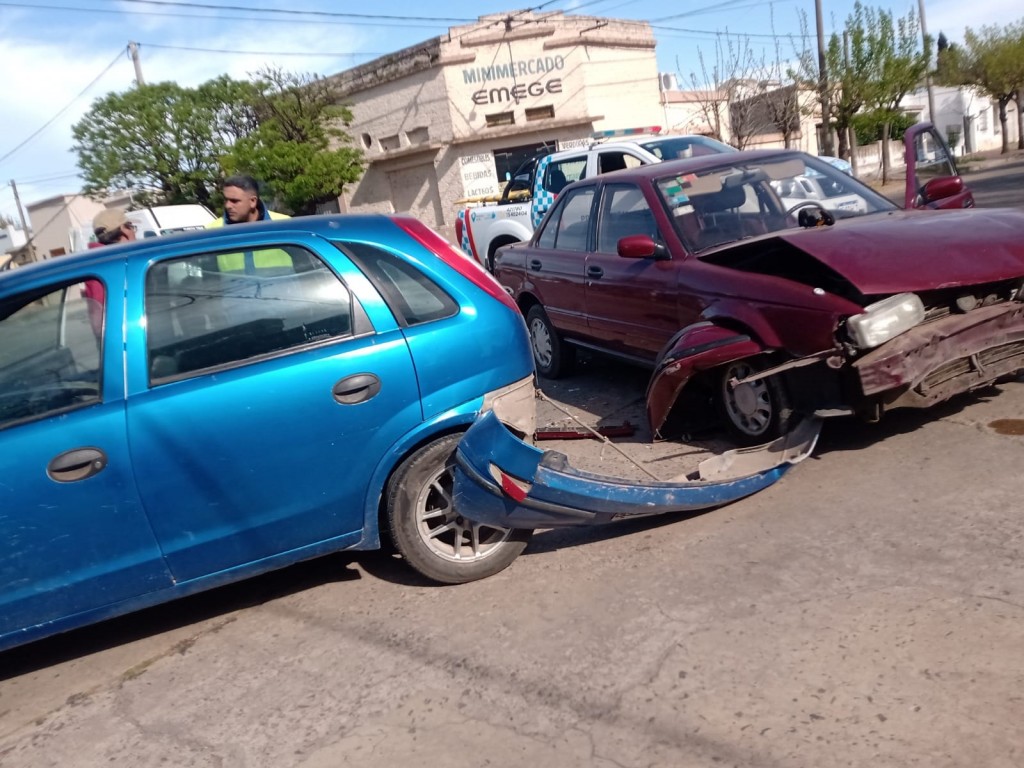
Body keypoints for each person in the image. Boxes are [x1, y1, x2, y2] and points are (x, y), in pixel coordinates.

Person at [206, 174, 290, 227]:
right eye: (226, 200)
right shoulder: (212, 230)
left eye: (234, 201)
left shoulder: (284, 224)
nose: (228, 206)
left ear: (253, 201)